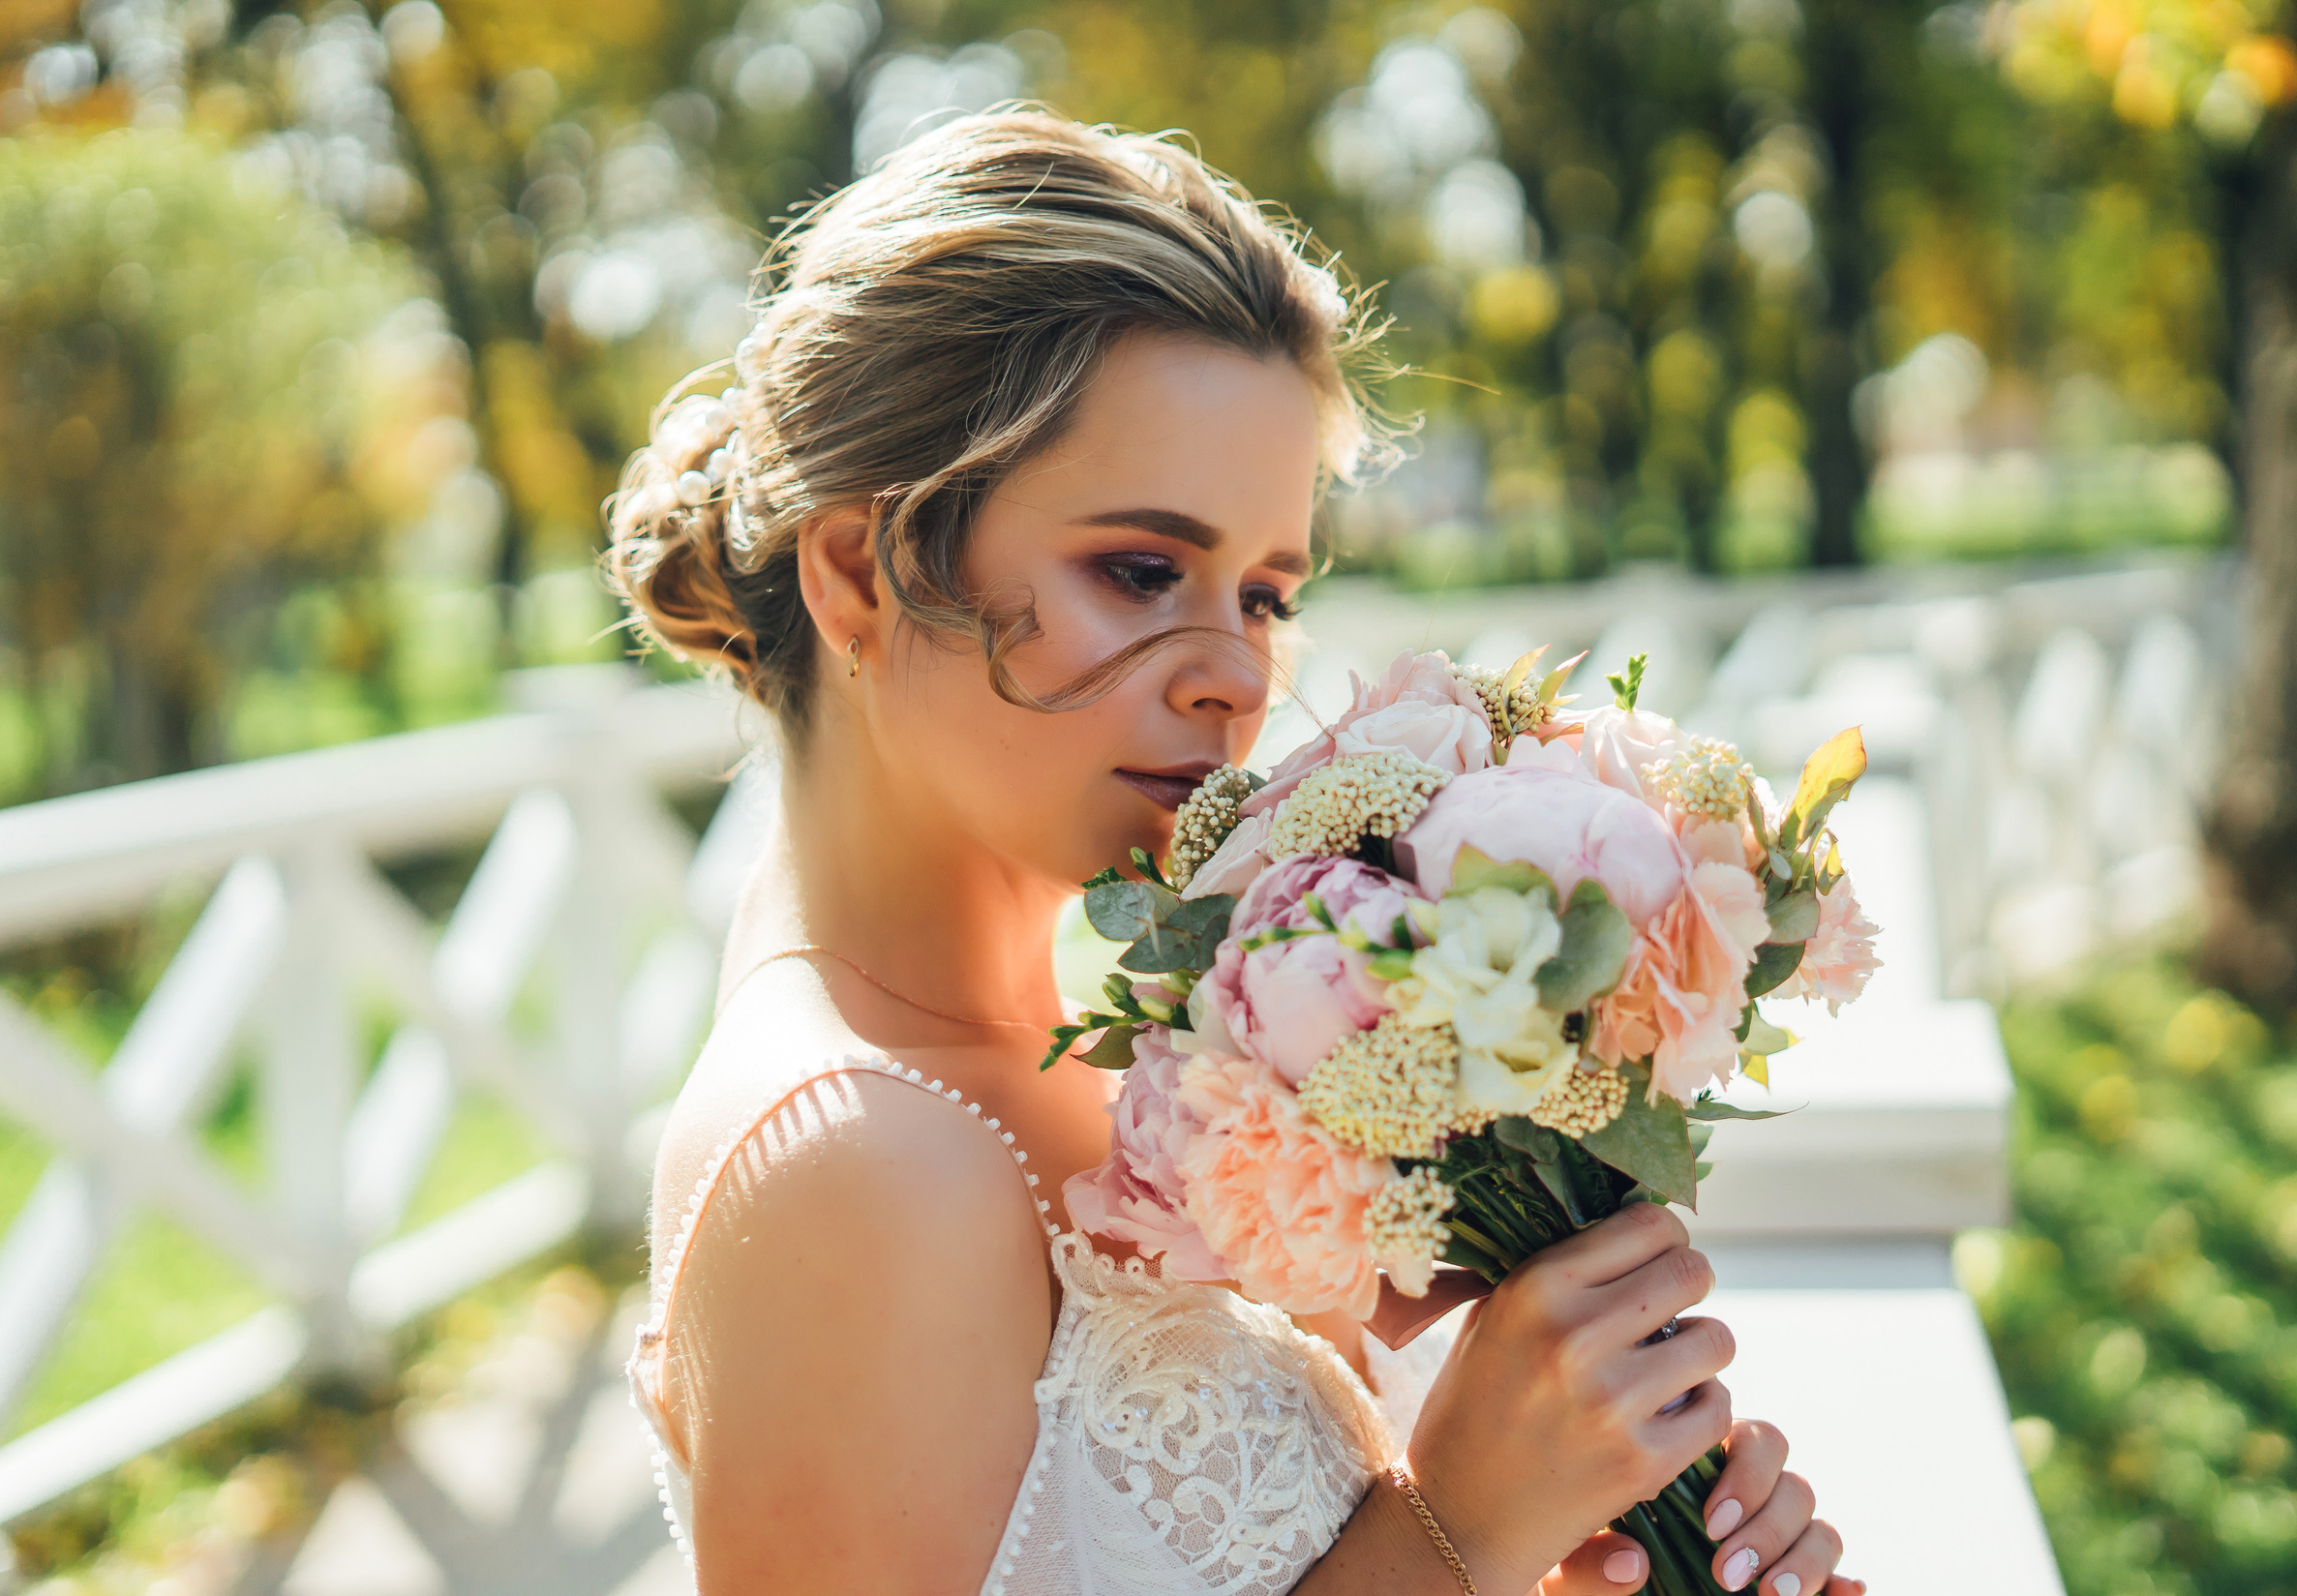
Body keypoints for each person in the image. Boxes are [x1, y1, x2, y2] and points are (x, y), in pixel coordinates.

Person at [610, 107, 1859, 1596]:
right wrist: (1460, 1525)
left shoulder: (1172, 1076)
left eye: (1263, 593)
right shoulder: (855, 1167)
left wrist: (1590, 1532)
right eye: (1139, 572)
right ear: (855, 575)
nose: (1232, 676)